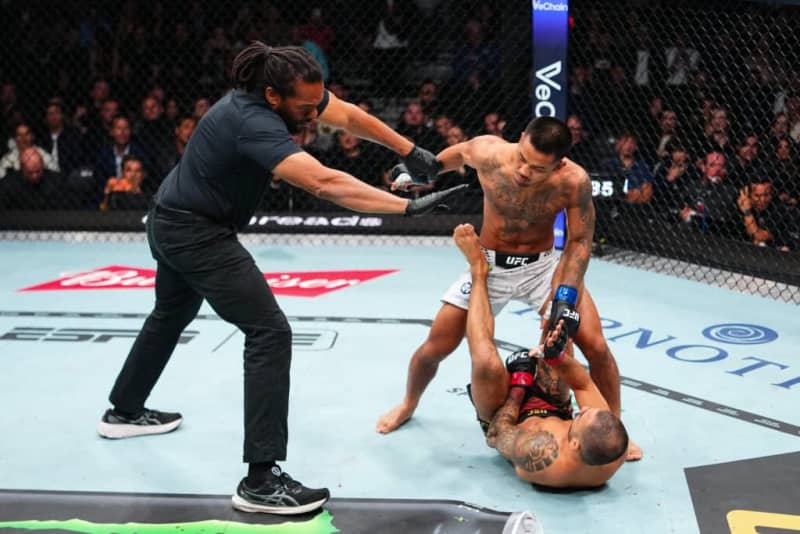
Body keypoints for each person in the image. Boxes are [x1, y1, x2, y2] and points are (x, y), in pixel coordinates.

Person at [96, 42, 461, 516]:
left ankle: (124, 410)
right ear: (273, 96)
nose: (314, 116)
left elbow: (347, 115)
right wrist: (405, 207)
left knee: (171, 312)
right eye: (306, 109)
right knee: (269, 332)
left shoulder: (281, 96)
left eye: (316, 104)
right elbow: (323, 182)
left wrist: (412, 151)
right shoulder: (253, 123)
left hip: (169, 218)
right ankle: (260, 482)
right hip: (194, 233)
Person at [377, 116, 642, 461]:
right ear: (520, 139)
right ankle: (408, 404)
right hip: (488, 264)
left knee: (596, 346)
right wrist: (422, 172)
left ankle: (615, 426)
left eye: (538, 168)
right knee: (436, 346)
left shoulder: (573, 181)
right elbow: (450, 158)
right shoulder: (489, 152)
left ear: (559, 164)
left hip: (543, 268)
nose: (524, 171)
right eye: (523, 158)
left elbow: (579, 241)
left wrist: (564, 299)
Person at [454, 223, 628, 488]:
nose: (583, 409)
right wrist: (555, 356)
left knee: (486, 361)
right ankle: (561, 264)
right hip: (552, 403)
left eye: (581, 415)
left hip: (507, 414)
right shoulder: (610, 447)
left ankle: (478, 270)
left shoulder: (539, 457)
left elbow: (497, 434)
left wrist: (519, 386)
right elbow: (582, 383)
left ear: (574, 444)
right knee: (559, 333)